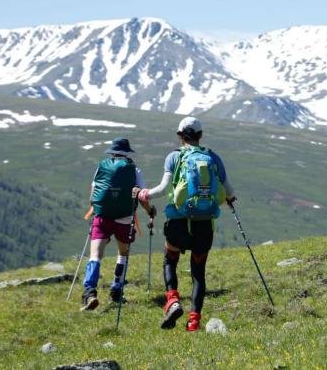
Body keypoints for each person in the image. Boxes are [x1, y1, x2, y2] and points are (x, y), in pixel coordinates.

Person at [134, 116, 236, 331]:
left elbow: (163, 189)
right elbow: (229, 191)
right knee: (198, 274)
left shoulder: (174, 157)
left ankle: (172, 300)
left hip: (178, 223)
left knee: (169, 260)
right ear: (200, 135)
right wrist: (228, 198)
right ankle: (194, 322)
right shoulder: (213, 158)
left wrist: (143, 194)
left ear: (180, 136)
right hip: (204, 225)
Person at [80, 138, 147, 311]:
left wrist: (97, 209)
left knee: (95, 254)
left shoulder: (102, 166)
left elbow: (93, 194)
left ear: (112, 152)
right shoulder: (134, 169)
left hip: (102, 216)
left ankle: (90, 292)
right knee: (123, 253)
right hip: (124, 217)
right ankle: (116, 290)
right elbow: (142, 195)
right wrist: (150, 211)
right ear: (127, 153)